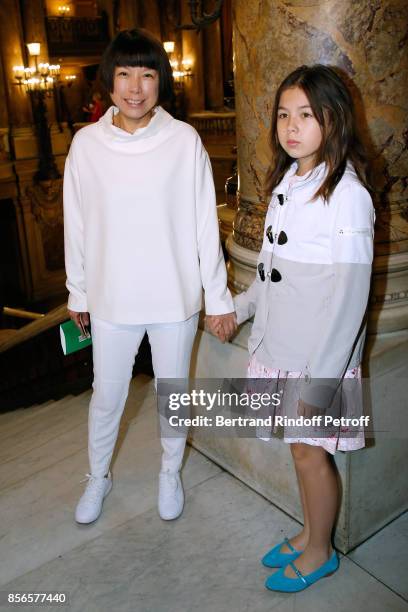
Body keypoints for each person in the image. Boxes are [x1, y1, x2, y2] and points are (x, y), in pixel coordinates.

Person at [63, 28, 236, 525]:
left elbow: (206, 223)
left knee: (172, 393)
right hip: (112, 297)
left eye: (146, 74)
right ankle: (98, 476)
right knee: (108, 394)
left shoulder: (183, 141)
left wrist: (218, 297)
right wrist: (79, 290)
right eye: (124, 74)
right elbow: (76, 223)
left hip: (173, 297)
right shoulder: (86, 145)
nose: (135, 87)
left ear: (161, 80)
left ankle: (169, 471)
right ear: (108, 82)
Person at [213, 65, 375, 592]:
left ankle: (322, 552)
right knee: (300, 450)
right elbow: (270, 273)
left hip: (317, 358)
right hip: (283, 348)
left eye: (306, 114)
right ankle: (310, 533)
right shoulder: (290, 178)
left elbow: (351, 300)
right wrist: (239, 309)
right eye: (284, 114)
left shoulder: (347, 195)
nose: (291, 125)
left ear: (335, 119)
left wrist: (323, 383)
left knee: (311, 452)